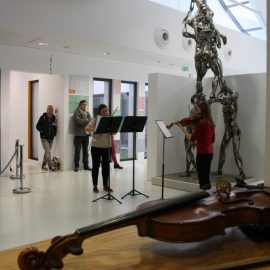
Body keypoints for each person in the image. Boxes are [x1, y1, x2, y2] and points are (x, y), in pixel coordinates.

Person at [182, 0, 228, 101]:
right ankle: (212, 94)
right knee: (217, 74)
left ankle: (199, 96)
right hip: (208, 52)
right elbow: (215, 34)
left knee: (199, 78)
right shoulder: (209, 24)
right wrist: (221, 37)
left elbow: (184, 30)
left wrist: (188, 14)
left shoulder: (194, 21)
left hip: (198, 52)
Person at [176, 102, 215, 190]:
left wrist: (182, 129)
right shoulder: (211, 122)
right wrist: (202, 141)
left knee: (202, 178)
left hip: (202, 153)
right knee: (206, 177)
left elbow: (192, 138)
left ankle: (203, 198)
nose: (196, 111)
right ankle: (209, 198)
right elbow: (212, 140)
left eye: (197, 109)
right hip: (210, 153)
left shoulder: (201, 122)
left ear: (202, 110)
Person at [85, 104, 113, 193]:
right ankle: (95, 186)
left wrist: (112, 130)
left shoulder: (110, 120)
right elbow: (86, 128)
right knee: (96, 167)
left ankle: (106, 185)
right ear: (99, 112)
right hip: (96, 147)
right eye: (103, 111)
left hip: (107, 147)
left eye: (106, 111)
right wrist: (96, 129)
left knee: (106, 167)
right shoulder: (95, 120)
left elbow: (114, 132)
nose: (105, 113)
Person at [36, 105, 57, 171]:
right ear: (47, 110)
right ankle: (51, 166)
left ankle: (43, 165)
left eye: (51, 109)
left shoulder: (54, 118)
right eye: (49, 109)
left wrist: (54, 134)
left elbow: (55, 126)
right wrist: (42, 131)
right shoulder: (43, 117)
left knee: (47, 152)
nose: (50, 110)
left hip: (51, 138)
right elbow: (37, 126)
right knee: (48, 151)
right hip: (44, 138)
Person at [73, 100, 92, 172]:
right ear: (80, 105)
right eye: (83, 104)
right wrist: (86, 121)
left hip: (86, 135)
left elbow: (91, 121)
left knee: (85, 151)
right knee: (77, 151)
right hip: (78, 135)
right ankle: (76, 166)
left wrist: (85, 121)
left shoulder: (87, 113)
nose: (85, 106)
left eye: (85, 104)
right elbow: (78, 122)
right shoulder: (76, 112)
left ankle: (86, 166)